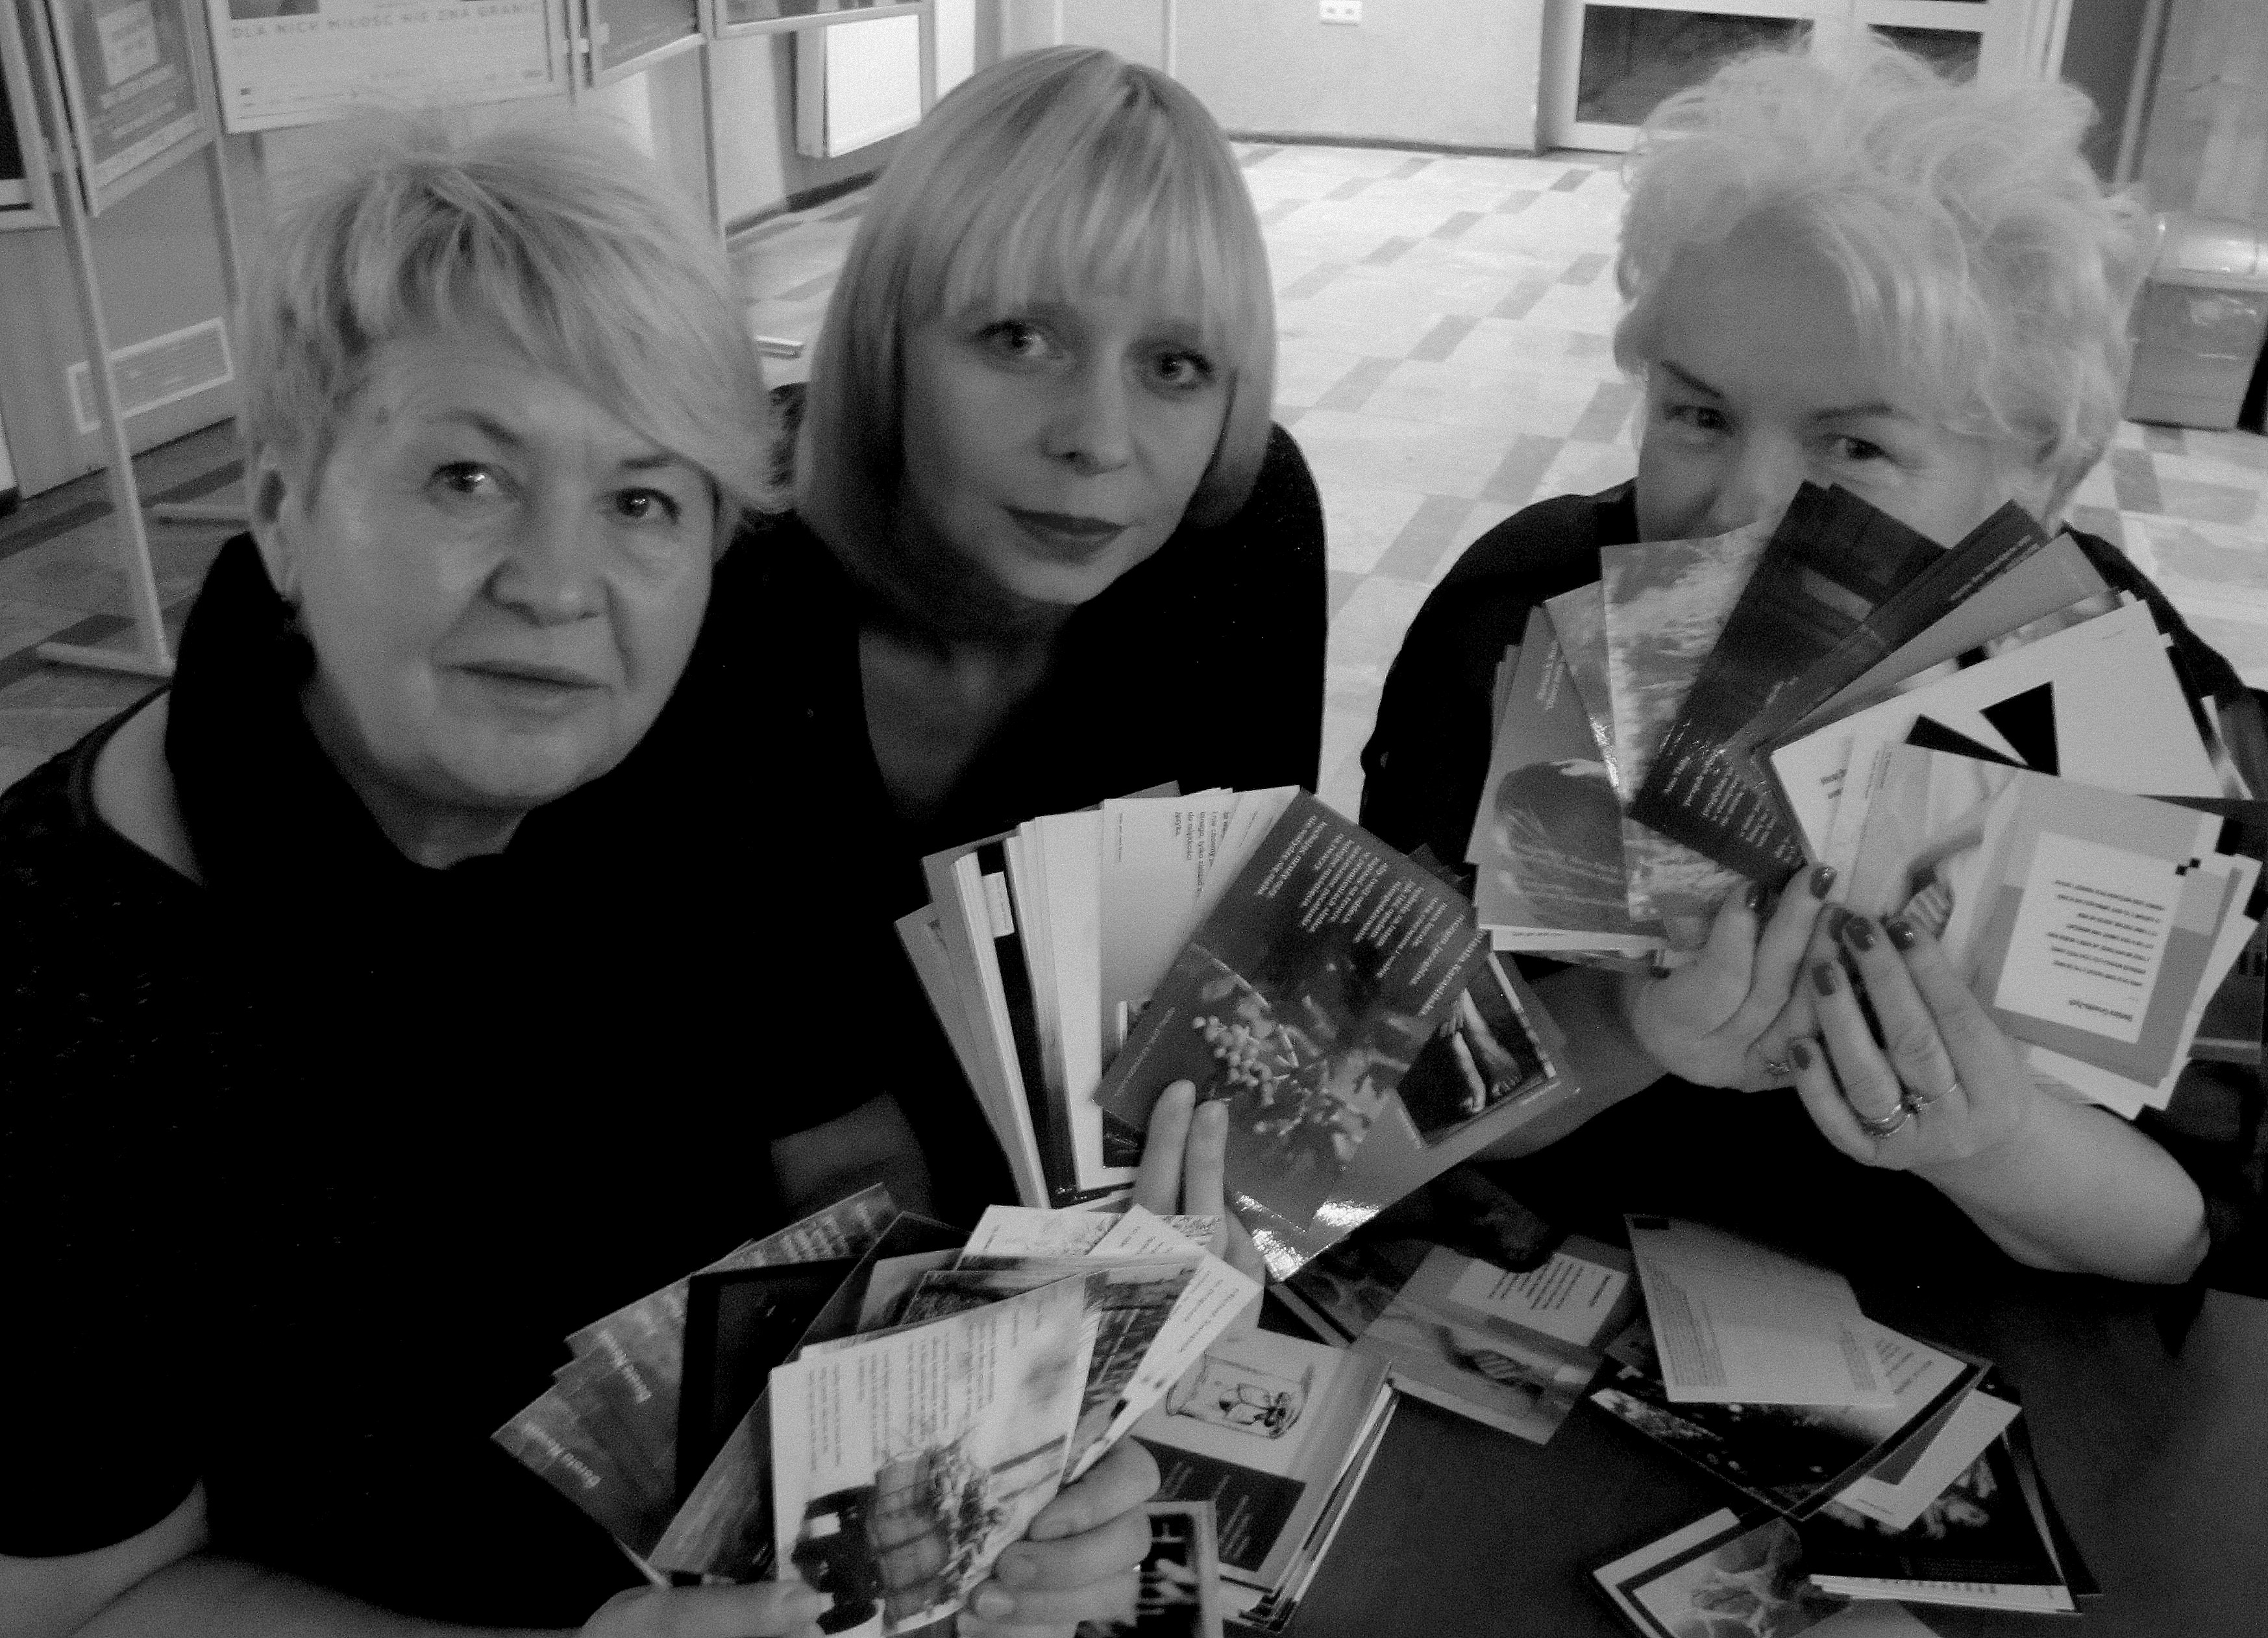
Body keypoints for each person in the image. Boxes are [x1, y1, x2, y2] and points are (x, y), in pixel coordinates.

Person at [0, 113, 1177, 1638]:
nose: (559, 586)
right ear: (283, 505)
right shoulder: (58, 995)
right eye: (467, 476)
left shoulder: (697, 738)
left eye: (641, 501)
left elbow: (836, 1147)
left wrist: (985, 1458)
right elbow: (78, 1603)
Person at [1361, 31, 2267, 1291]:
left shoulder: (2116, 683)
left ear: (2035, 481)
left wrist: (1996, 1139)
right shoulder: (1524, 618)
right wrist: (1629, 1024)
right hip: (1574, 1283)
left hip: (1971, 1322)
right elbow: (1379, 1108)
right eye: (1698, 413)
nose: (1742, 502)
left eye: (1853, 447)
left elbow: (2199, 1228)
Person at [705, 46, 1324, 1238]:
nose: (1098, 439)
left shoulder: (1236, 544)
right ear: (884, 345)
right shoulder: (728, 568)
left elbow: (1213, 1026)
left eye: (1174, 366)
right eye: (1017, 339)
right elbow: (821, 1138)